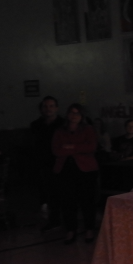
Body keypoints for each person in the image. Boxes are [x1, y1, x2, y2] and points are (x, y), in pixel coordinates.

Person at [52, 104, 98, 244]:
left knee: (87, 200)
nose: (74, 116)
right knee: (67, 201)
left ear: (82, 116)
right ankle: (71, 230)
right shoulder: (60, 131)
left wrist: (71, 147)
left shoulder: (88, 129)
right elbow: (56, 150)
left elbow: (91, 147)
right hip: (65, 169)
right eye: (72, 113)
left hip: (85, 169)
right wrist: (79, 148)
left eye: (77, 113)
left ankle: (89, 229)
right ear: (67, 114)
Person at [30, 96, 64, 230]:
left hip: (61, 163)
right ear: (41, 109)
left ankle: (66, 219)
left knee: (63, 192)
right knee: (48, 193)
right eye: (45, 106)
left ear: (56, 108)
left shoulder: (63, 124)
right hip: (43, 164)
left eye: (51, 106)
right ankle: (53, 219)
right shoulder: (36, 125)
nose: (48, 109)